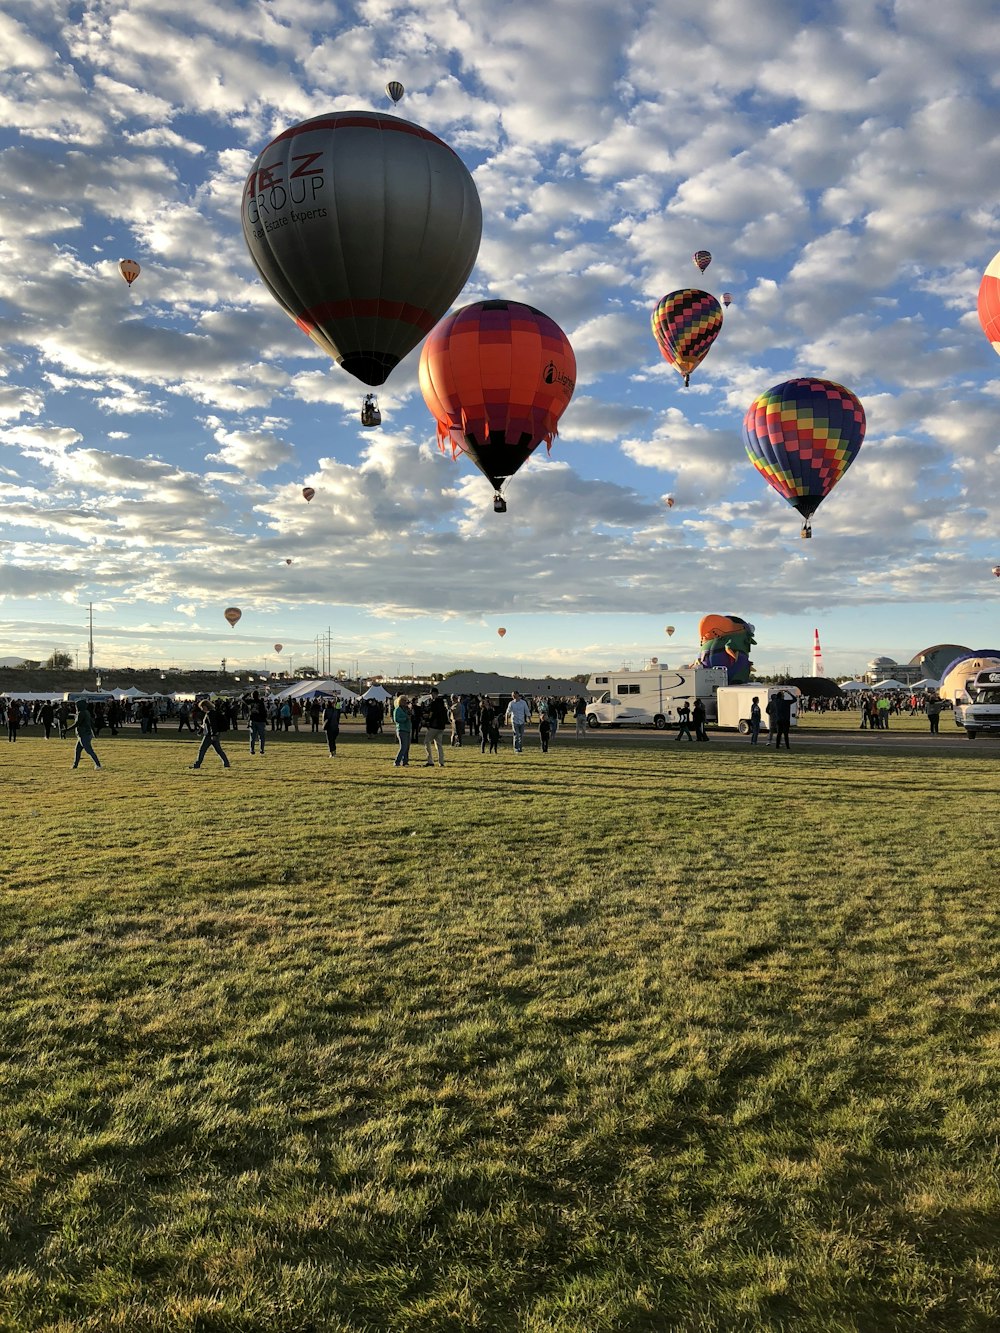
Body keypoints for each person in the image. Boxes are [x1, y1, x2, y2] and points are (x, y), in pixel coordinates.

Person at [191, 699, 231, 769]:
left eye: (203, 707)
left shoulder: (210, 714)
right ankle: (226, 763)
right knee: (219, 750)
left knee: (202, 750)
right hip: (214, 734)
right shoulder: (212, 713)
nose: (202, 709)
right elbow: (206, 724)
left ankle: (197, 765)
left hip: (210, 735)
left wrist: (213, 734)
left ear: (206, 706)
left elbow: (212, 725)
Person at [71, 701, 102, 769]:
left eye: (76, 706)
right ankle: (75, 765)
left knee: (89, 750)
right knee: (77, 750)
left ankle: (98, 765)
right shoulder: (86, 712)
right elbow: (91, 723)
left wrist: (67, 729)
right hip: (83, 735)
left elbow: (77, 724)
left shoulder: (81, 713)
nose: (76, 707)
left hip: (84, 735)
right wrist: (94, 733)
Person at [422, 688, 448, 766]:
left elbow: (431, 714)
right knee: (439, 744)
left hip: (434, 725)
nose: (431, 695)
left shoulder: (434, 703)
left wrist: (427, 719)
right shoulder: (442, 703)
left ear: (434, 694)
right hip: (441, 726)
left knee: (427, 741)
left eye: (431, 694)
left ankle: (430, 761)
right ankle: (441, 762)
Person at [393, 694, 412, 766]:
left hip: (407, 729)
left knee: (407, 747)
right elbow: (396, 719)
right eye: (404, 701)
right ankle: (397, 761)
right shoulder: (397, 710)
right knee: (403, 747)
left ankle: (405, 761)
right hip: (401, 729)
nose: (405, 702)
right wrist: (405, 718)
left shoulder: (406, 709)